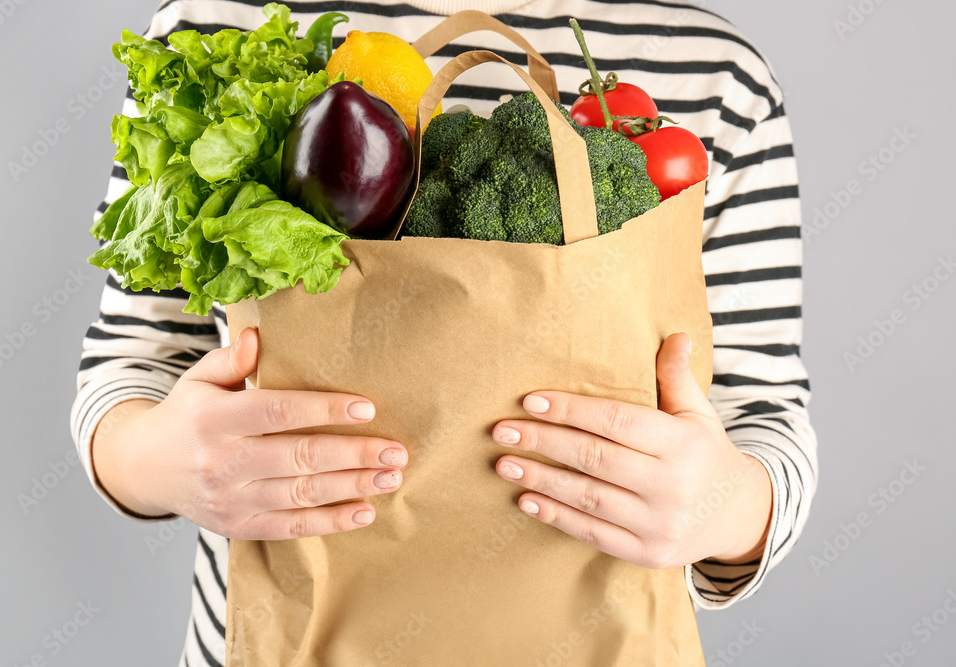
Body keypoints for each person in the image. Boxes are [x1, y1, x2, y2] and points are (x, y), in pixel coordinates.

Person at [70, 1, 818, 665]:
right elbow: (131, 360)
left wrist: (723, 502)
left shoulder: (718, 73)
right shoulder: (215, 25)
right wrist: (159, 458)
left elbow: (766, 416)